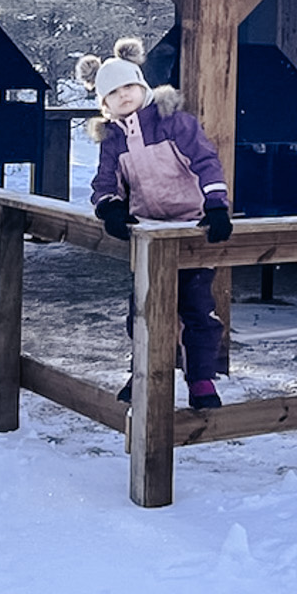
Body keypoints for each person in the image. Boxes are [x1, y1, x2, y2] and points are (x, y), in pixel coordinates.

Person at [80, 37, 233, 409]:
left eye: (130, 86)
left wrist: (216, 205)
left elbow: (205, 161)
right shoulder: (113, 140)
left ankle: (201, 380)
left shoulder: (175, 124)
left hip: (193, 225)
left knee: (196, 307)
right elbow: (104, 183)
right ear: (105, 104)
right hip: (149, 231)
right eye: (114, 92)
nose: (125, 95)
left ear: (144, 87)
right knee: (145, 308)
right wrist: (111, 209)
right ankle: (143, 371)